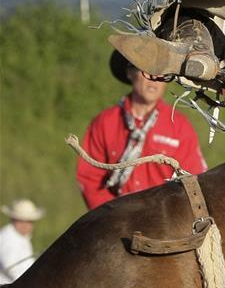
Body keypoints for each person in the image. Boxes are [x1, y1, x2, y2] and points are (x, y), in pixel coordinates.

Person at [75, 52, 208, 209]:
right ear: (130, 72)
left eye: (162, 72)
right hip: (116, 217)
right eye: (147, 69)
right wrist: (114, 214)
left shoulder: (179, 126)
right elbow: (89, 179)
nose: (154, 78)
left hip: (164, 217)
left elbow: (194, 181)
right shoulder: (104, 123)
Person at [0, 198, 44, 284]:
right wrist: (31, 281)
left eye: (31, 222)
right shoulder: (7, 238)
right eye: (27, 221)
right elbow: (11, 268)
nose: (29, 225)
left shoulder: (21, 237)